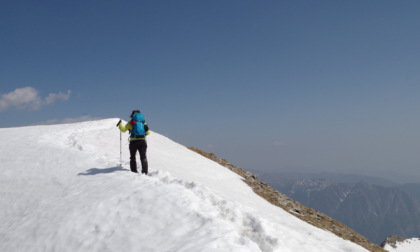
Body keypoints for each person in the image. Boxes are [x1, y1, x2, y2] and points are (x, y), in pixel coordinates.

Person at [117, 110, 150, 174]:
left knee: (132, 157)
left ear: (132, 115)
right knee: (143, 157)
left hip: (133, 142)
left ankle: (134, 171)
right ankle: (145, 172)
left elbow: (123, 130)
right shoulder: (143, 123)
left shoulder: (131, 122)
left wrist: (120, 124)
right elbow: (148, 133)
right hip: (142, 142)